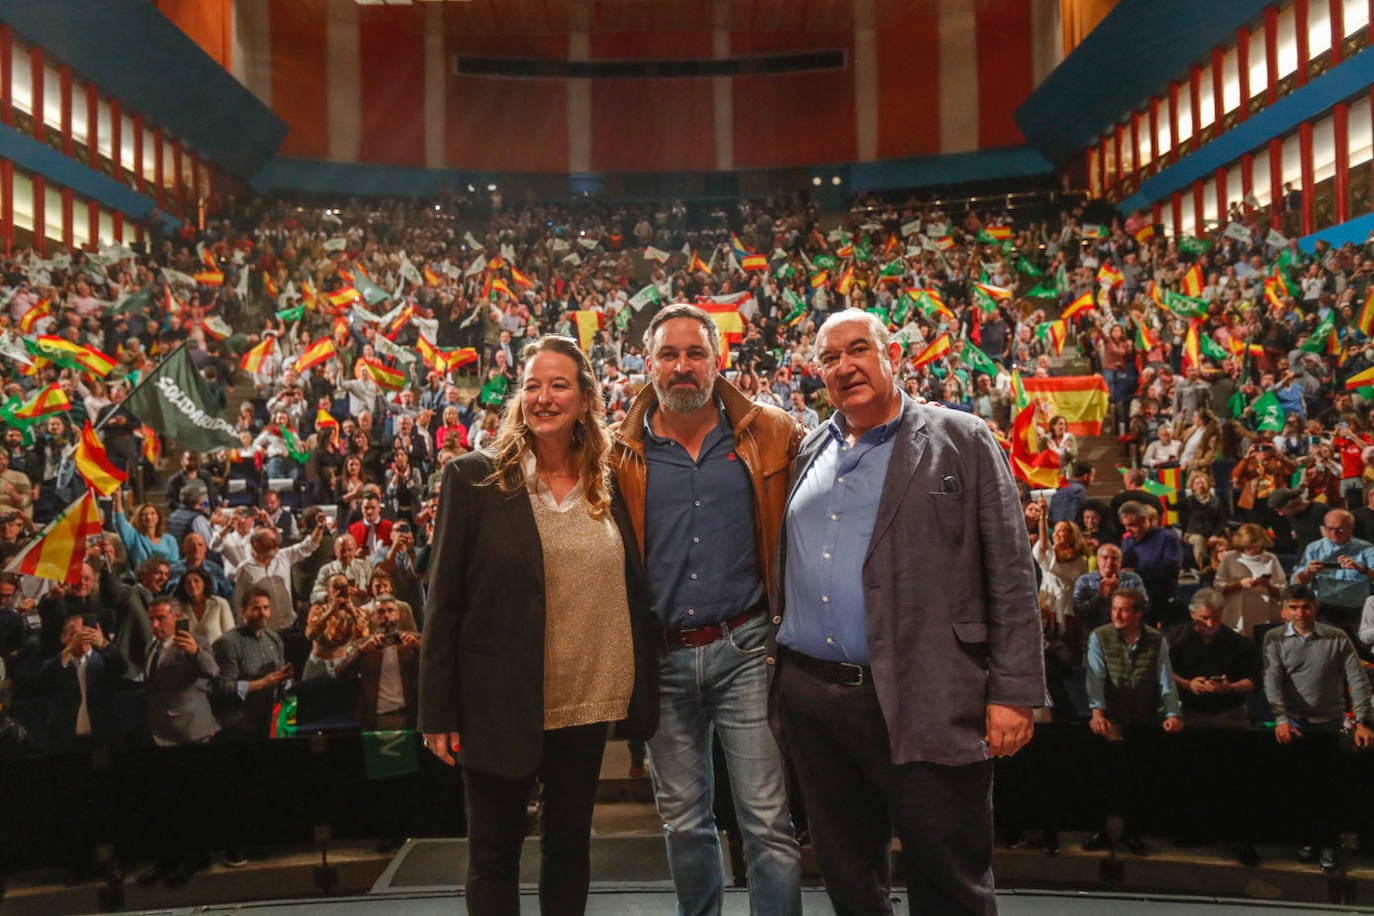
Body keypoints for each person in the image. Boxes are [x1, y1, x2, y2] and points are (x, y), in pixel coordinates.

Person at [773, 310, 1046, 915]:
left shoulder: (963, 437)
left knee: (948, 875)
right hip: (816, 703)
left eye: (858, 349)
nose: (845, 367)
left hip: (928, 695)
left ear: (892, 353)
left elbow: (1011, 573)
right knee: (848, 876)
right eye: (830, 357)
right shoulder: (810, 446)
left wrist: (1015, 691)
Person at [420, 336, 659, 916]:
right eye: (532, 385)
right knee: (494, 855)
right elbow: (443, 602)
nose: (543, 398)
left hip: (585, 701)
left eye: (558, 386)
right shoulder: (472, 478)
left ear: (584, 400)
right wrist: (438, 712)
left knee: (570, 848)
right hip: (497, 701)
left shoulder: (612, 481)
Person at [609, 304, 805, 916]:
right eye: (669, 354)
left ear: (718, 362)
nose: (683, 366)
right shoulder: (618, 452)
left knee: (768, 823)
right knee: (685, 824)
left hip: (747, 648)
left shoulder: (771, 433)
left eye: (695, 354)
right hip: (663, 659)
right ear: (648, 365)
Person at [1263, 586, 1374, 871]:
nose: (1301, 613)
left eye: (1306, 607)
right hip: (1295, 725)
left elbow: (1358, 680)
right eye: (1294, 607)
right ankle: (1307, 840)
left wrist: (1363, 721)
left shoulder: (1336, 637)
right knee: (1300, 789)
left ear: (1315, 607)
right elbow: (1272, 681)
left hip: (1330, 724)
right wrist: (1281, 719)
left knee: (1330, 790)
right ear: (1284, 610)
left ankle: (1328, 845)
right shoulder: (1273, 638)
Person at [1083, 588, 1183, 855]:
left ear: (1138, 613)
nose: (1116, 614)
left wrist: (1172, 712)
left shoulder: (1155, 639)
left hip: (1143, 717)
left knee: (1138, 779)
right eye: (1114, 608)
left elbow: (1165, 678)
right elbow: (1096, 677)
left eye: (1124, 609)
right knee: (1105, 777)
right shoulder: (1099, 636)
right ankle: (1101, 830)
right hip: (1111, 718)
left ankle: (1133, 832)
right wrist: (1097, 711)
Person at [143, 597, 219, 746]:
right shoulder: (151, 648)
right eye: (151, 619)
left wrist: (196, 652)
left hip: (191, 731)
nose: (155, 625)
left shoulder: (195, 643)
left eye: (161, 618)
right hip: (159, 732)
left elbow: (212, 670)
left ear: (177, 617)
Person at [338, 593, 420, 730]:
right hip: (376, 718)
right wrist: (361, 652)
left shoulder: (414, 640)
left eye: (390, 611)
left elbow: (437, 671)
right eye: (380, 612)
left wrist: (418, 648)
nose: (386, 616)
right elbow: (340, 673)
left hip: (411, 716)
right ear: (372, 617)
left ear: (398, 614)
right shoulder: (362, 644)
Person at [1289, 508, 1374, 637]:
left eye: (1340, 529)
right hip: (1325, 610)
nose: (1334, 533)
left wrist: (1361, 569)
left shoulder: (1366, 549)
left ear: (1351, 528)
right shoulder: (1314, 548)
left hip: (1356, 610)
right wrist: (1309, 572)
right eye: (1329, 529)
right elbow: (1297, 583)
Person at [1213, 523, 1286, 638]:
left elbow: (1283, 591)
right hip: (1236, 613)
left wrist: (1267, 585)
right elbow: (1217, 587)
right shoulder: (1230, 557)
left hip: (1265, 612)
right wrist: (1239, 584)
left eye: (1255, 546)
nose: (1251, 550)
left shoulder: (1270, 558)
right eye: (1247, 547)